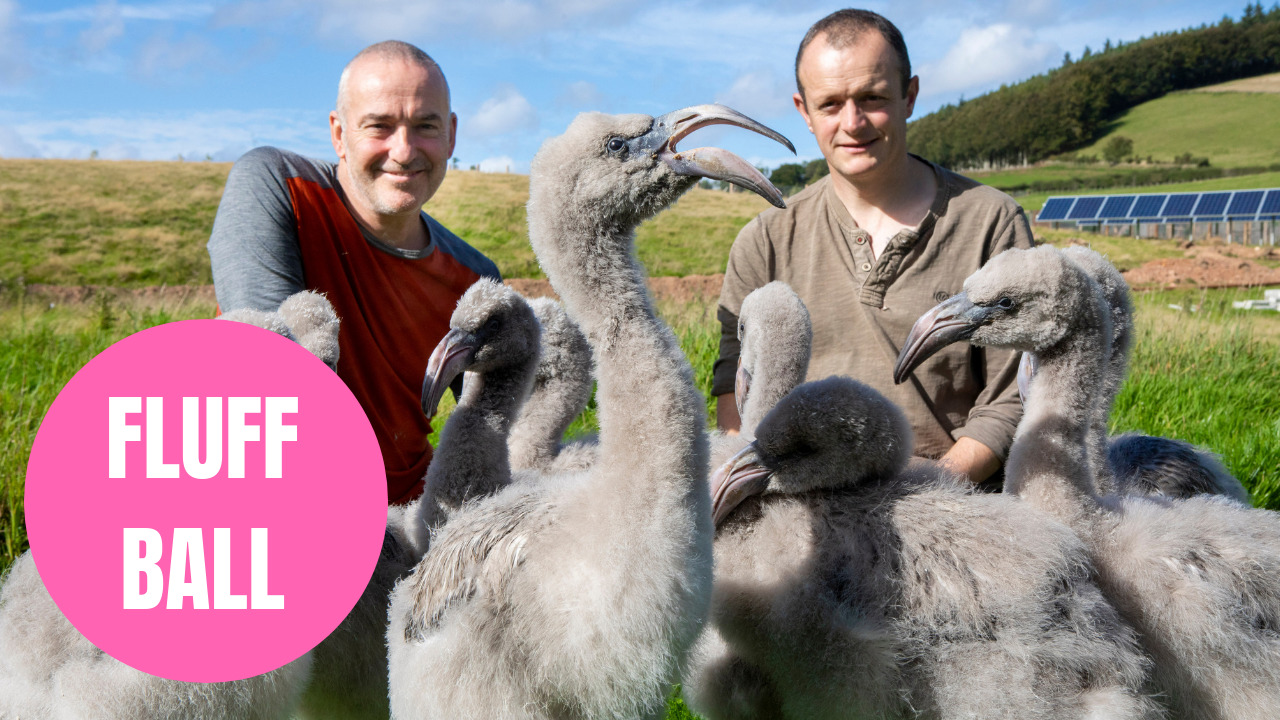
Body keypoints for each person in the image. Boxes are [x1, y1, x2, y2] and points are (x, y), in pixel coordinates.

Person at [712, 9, 1032, 485]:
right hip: (807, 506)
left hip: (953, 507)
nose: (853, 122)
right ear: (803, 111)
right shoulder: (766, 240)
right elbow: (734, 397)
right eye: (830, 104)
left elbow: (1013, 395)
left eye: (873, 98)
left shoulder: (991, 222)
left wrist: (931, 492)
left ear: (910, 96)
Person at [208, 41, 500, 505]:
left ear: (451, 136)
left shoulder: (473, 278)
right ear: (339, 134)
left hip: (405, 522)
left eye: (425, 126)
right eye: (379, 126)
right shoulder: (280, 187)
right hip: (271, 503)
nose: (403, 151)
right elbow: (263, 381)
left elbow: (500, 436)